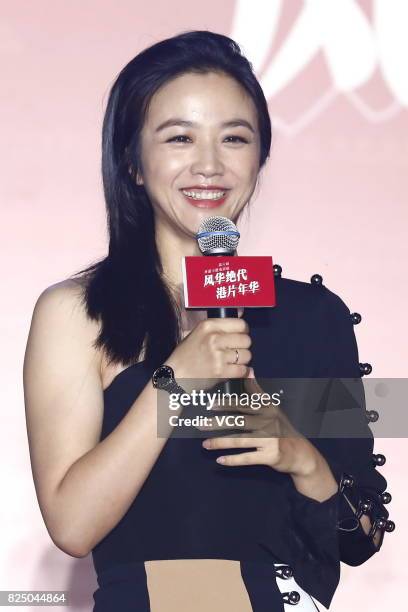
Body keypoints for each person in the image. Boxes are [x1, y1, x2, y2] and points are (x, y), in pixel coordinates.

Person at [23, 30, 395, 611]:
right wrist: (175, 383)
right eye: (179, 138)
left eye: (234, 138)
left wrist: (300, 455)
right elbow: (72, 525)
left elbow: (361, 537)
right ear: (133, 161)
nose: (209, 165)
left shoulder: (314, 317)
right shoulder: (77, 313)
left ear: (260, 157)